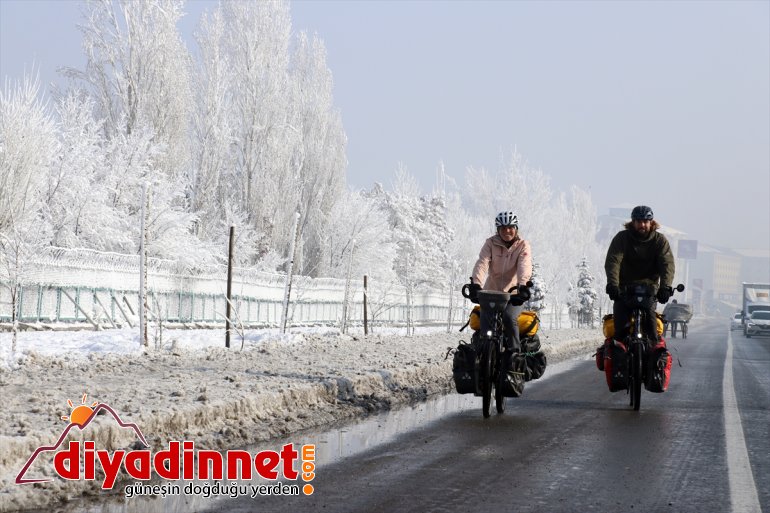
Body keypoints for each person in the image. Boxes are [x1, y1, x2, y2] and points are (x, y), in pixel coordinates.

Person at [604, 205, 675, 343]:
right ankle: (620, 360)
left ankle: (654, 358)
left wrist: (665, 287)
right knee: (620, 330)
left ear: (651, 222)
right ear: (633, 222)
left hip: (649, 289)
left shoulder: (660, 241)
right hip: (624, 288)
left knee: (652, 330)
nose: (642, 225)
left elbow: (667, 264)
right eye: (638, 221)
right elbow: (613, 261)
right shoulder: (622, 238)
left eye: (645, 221)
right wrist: (613, 284)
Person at [468, 211, 533, 352]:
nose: (507, 231)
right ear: (498, 230)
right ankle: (483, 357)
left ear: (516, 228)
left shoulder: (523, 245)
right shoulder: (490, 243)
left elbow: (524, 266)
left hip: (513, 296)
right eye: (503, 228)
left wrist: (522, 286)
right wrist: (476, 284)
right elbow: (482, 263)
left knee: (509, 318)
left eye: (510, 227)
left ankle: (515, 354)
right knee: (485, 328)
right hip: (491, 294)